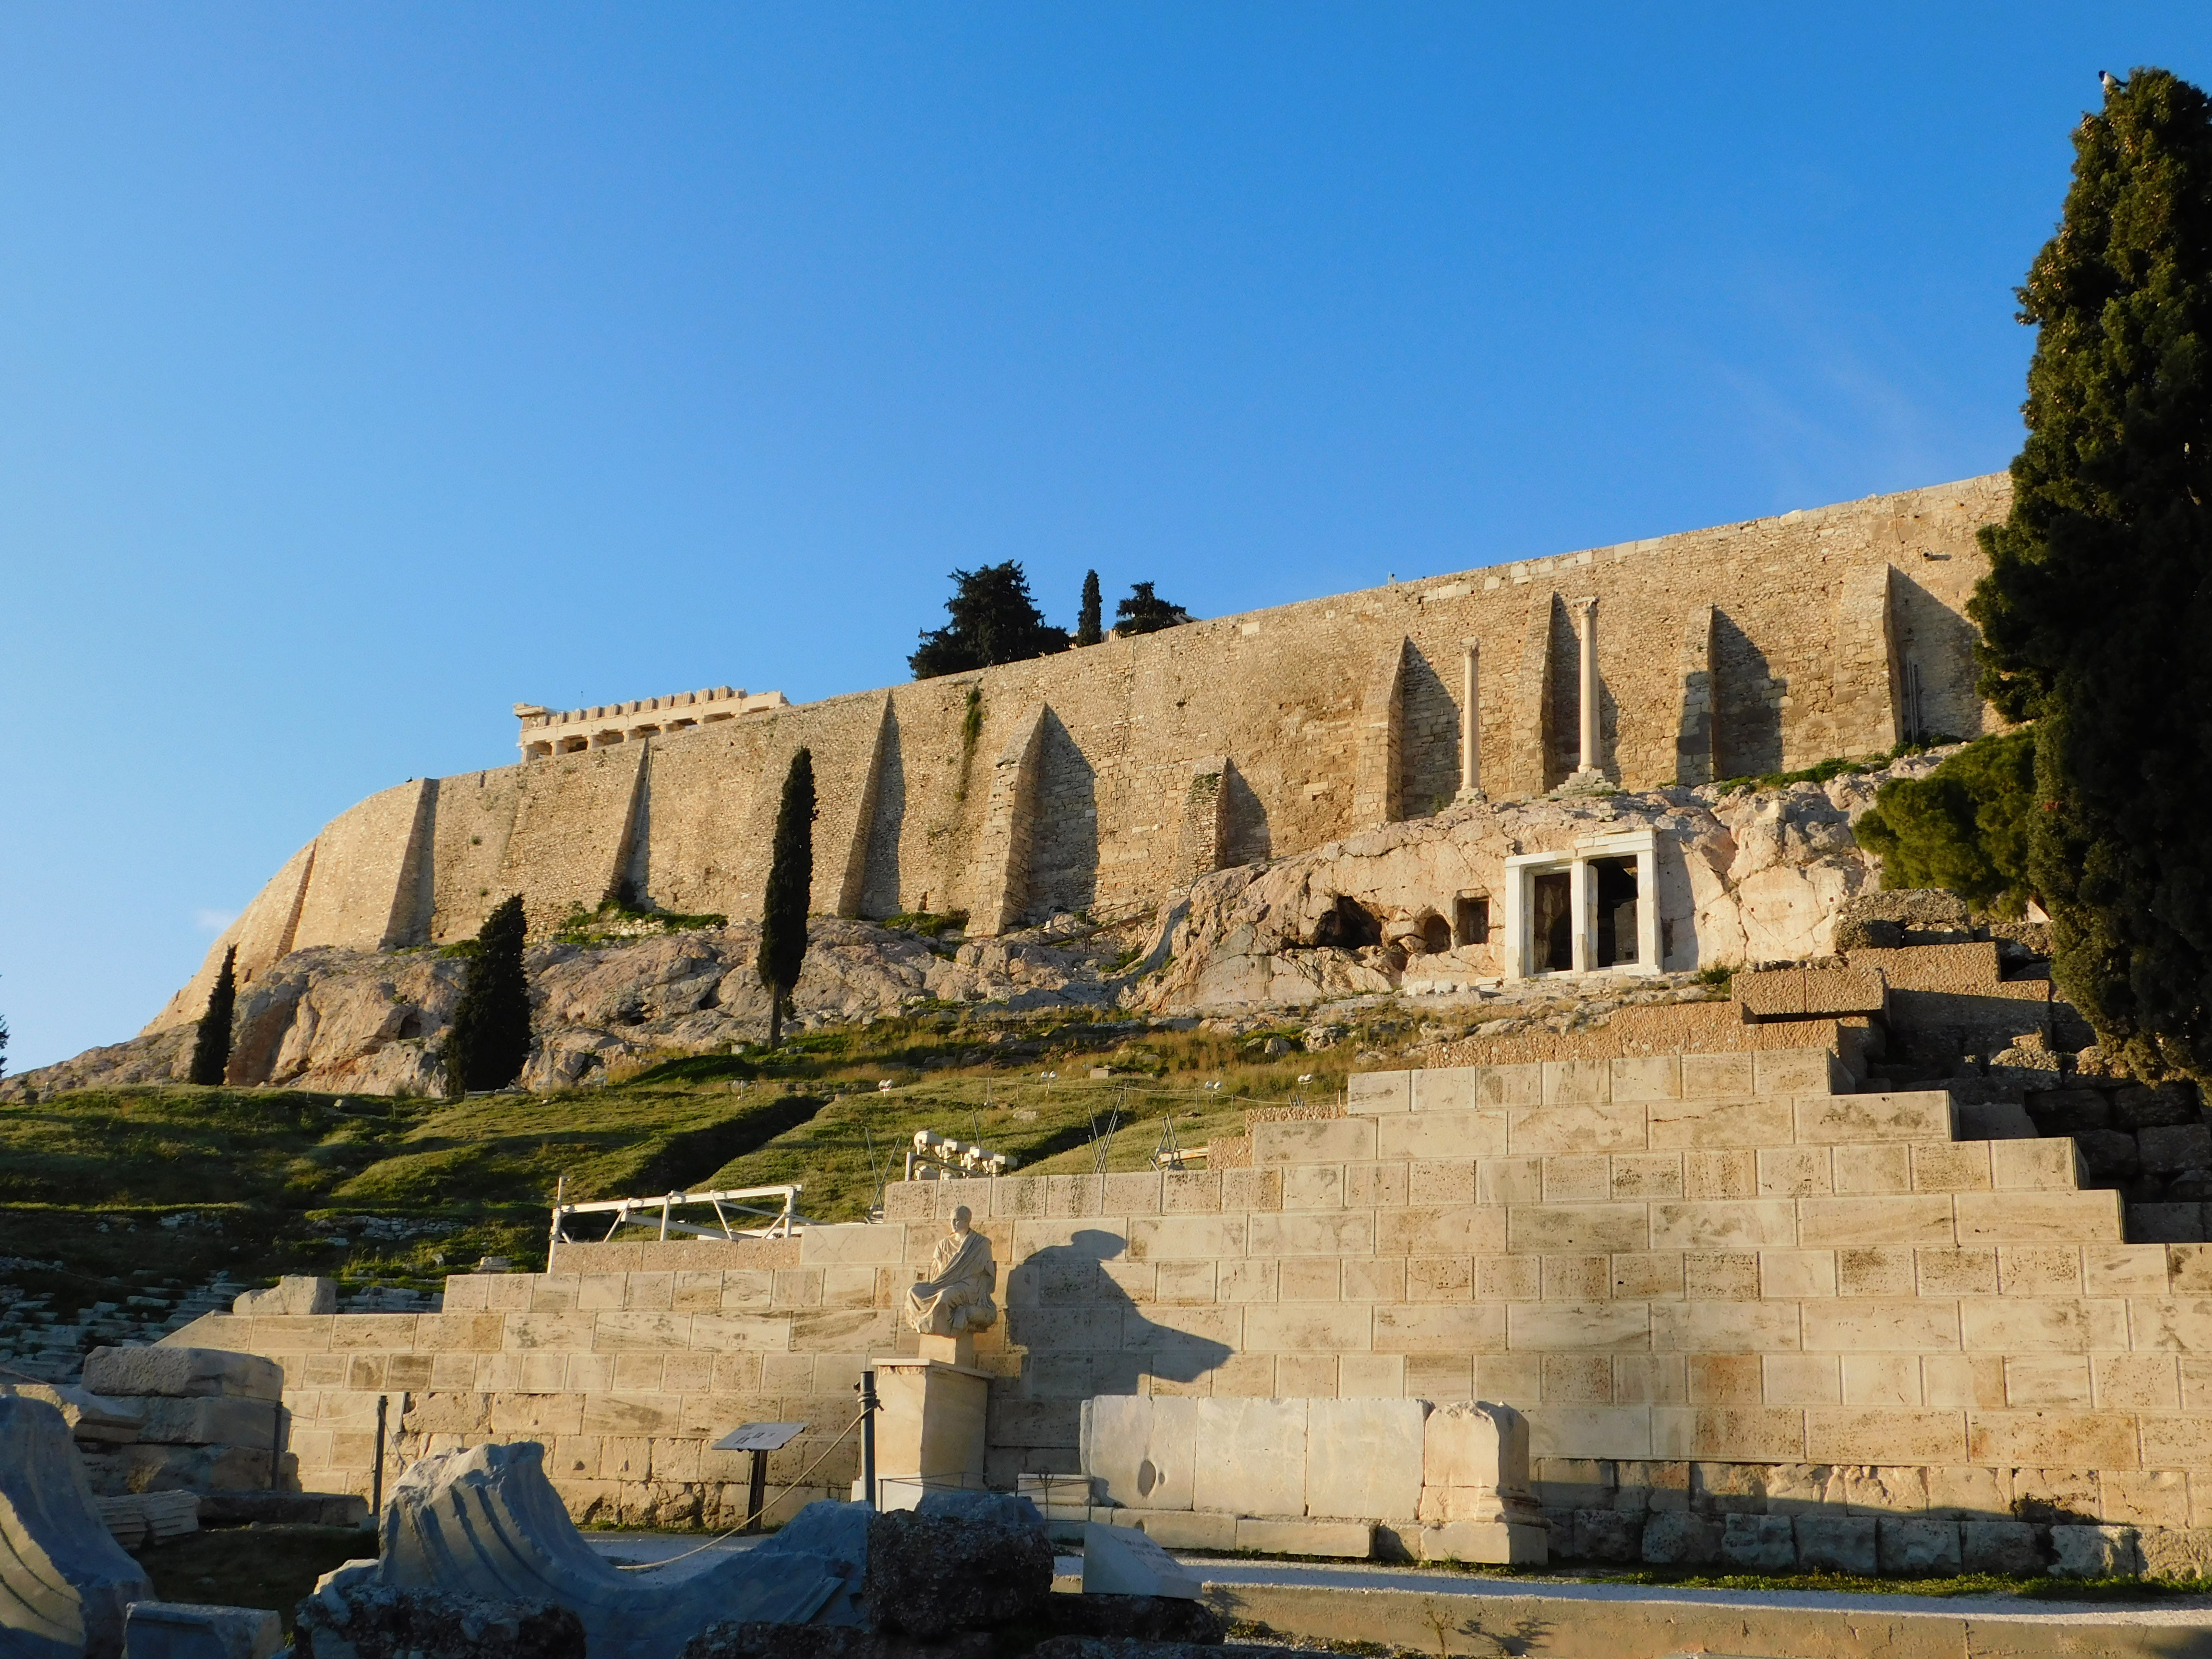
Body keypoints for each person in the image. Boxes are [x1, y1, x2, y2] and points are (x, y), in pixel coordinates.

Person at [902, 1205, 998, 1336]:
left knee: (945, 1296)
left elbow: (987, 1276)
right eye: (951, 1220)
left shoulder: (980, 1244)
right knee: (913, 1291)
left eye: (957, 1220)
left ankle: (945, 1331)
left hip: (968, 1288)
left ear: (966, 1221)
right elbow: (937, 1274)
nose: (953, 1224)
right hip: (943, 1284)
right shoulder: (944, 1244)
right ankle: (928, 1324)